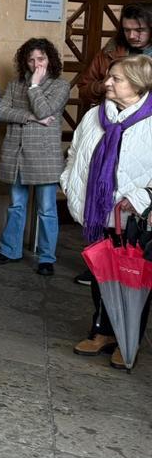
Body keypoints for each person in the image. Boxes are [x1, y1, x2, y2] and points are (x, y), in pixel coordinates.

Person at [63, 55, 152, 368]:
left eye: (117, 79)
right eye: (109, 77)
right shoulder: (93, 116)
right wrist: (69, 180)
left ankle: (127, 339)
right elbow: (75, 154)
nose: (107, 83)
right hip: (99, 214)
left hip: (136, 218)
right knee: (102, 273)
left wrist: (141, 198)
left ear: (137, 84)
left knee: (131, 279)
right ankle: (101, 332)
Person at [0, 38, 71, 275]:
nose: (36, 64)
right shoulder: (15, 84)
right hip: (17, 153)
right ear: (25, 61)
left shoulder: (60, 86)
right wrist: (31, 117)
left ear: (50, 60)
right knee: (16, 206)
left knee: (46, 209)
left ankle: (46, 257)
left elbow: (46, 110)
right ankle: (9, 250)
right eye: (31, 59)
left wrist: (34, 86)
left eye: (41, 59)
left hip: (45, 157)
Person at [78, 3, 152, 108]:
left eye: (139, 30)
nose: (132, 36)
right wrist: (103, 86)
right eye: (127, 30)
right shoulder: (110, 52)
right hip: (113, 116)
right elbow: (84, 90)